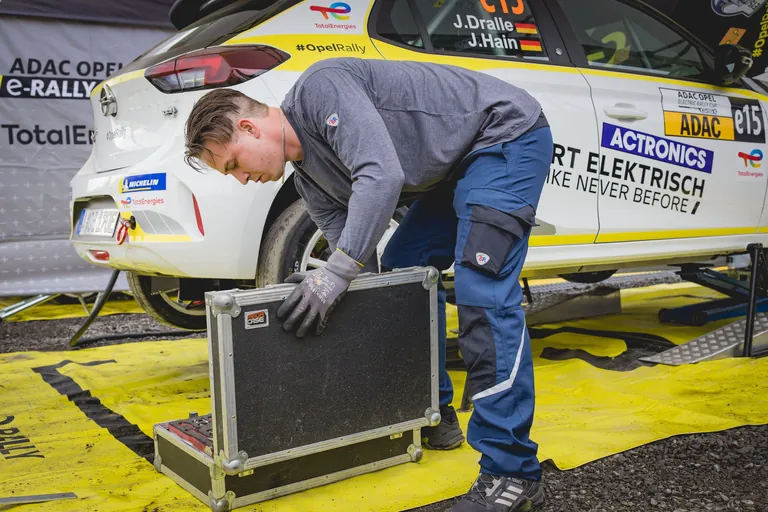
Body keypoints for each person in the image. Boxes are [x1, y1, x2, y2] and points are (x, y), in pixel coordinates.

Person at [184, 57, 553, 512]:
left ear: (249, 127)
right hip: (457, 165)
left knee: (482, 288)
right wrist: (328, 284)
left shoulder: (321, 89)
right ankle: (433, 413)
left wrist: (334, 274)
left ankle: (511, 473)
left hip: (504, 136)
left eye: (234, 164)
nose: (242, 179)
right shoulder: (312, 184)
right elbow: (363, 271)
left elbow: (381, 175)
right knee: (403, 270)